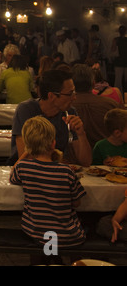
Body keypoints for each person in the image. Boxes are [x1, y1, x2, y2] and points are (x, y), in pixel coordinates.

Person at [10, 116, 86, 264]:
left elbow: (13, 175)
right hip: (67, 236)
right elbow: (77, 203)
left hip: (36, 233)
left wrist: (27, 152)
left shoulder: (23, 168)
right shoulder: (66, 171)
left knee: (35, 232)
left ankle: (41, 261)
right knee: (87, 224)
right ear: (53, 143)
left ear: (27, 145)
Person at [8, 69, 92, 167]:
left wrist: (81, 133)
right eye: (70, 94)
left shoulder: (69, 112)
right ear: (51, 96)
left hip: (53, 173)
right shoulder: (27, 110)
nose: (74, 98)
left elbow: (86, 162)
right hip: (22, 173)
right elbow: (26, 159)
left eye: (74, 92)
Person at [71, 64, 123, 149]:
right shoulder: (111, 104)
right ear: (93, 83)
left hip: (76, 158)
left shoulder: (66, 107)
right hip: (109, 156)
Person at [112, 25, 127, 94]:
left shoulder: (116, 39)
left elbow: (113, 50)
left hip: (118, 61)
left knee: (118, 80)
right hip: (125, 61)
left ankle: (117, 94)